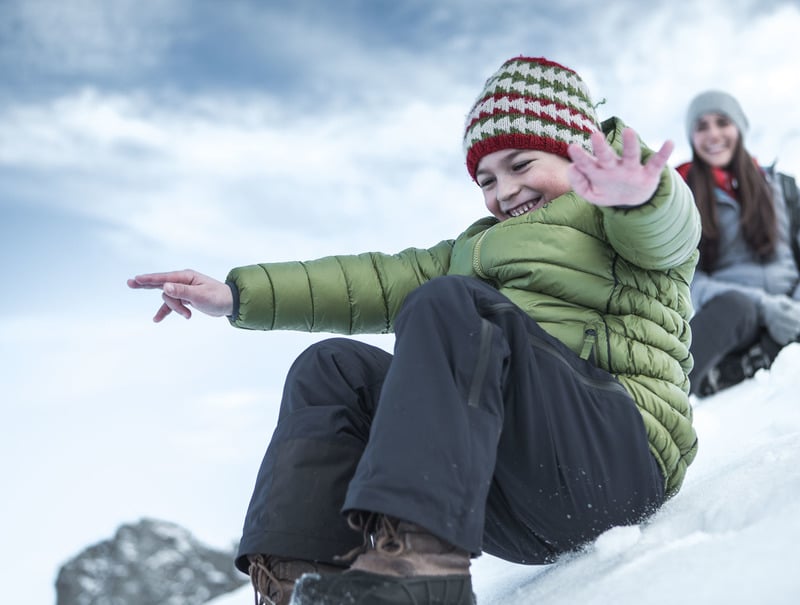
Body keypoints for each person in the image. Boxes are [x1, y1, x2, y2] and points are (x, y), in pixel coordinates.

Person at [128, 56, 701, 605]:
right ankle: (303, 582)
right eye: (485, 178)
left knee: (453, 303)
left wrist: (640, 198)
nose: (503, 191)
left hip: (620, 459)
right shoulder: (471, 252)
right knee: (331, 368)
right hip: (519, 501)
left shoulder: (621, 217)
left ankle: (419, 571)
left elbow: (668, 232)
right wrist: (234, 295)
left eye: (521, 164)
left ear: (581, 155)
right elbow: (368, 281)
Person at [677, 90, 800, 397]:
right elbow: (688, 280)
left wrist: (794, 308)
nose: (713, 134)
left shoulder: (782, 186)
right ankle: (663, 400)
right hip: (736, 317)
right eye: (702, 126)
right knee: (734, 307)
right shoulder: (682, 198)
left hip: (793, 307)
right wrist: (764, 306)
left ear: (740, 128)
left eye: (722, 122)